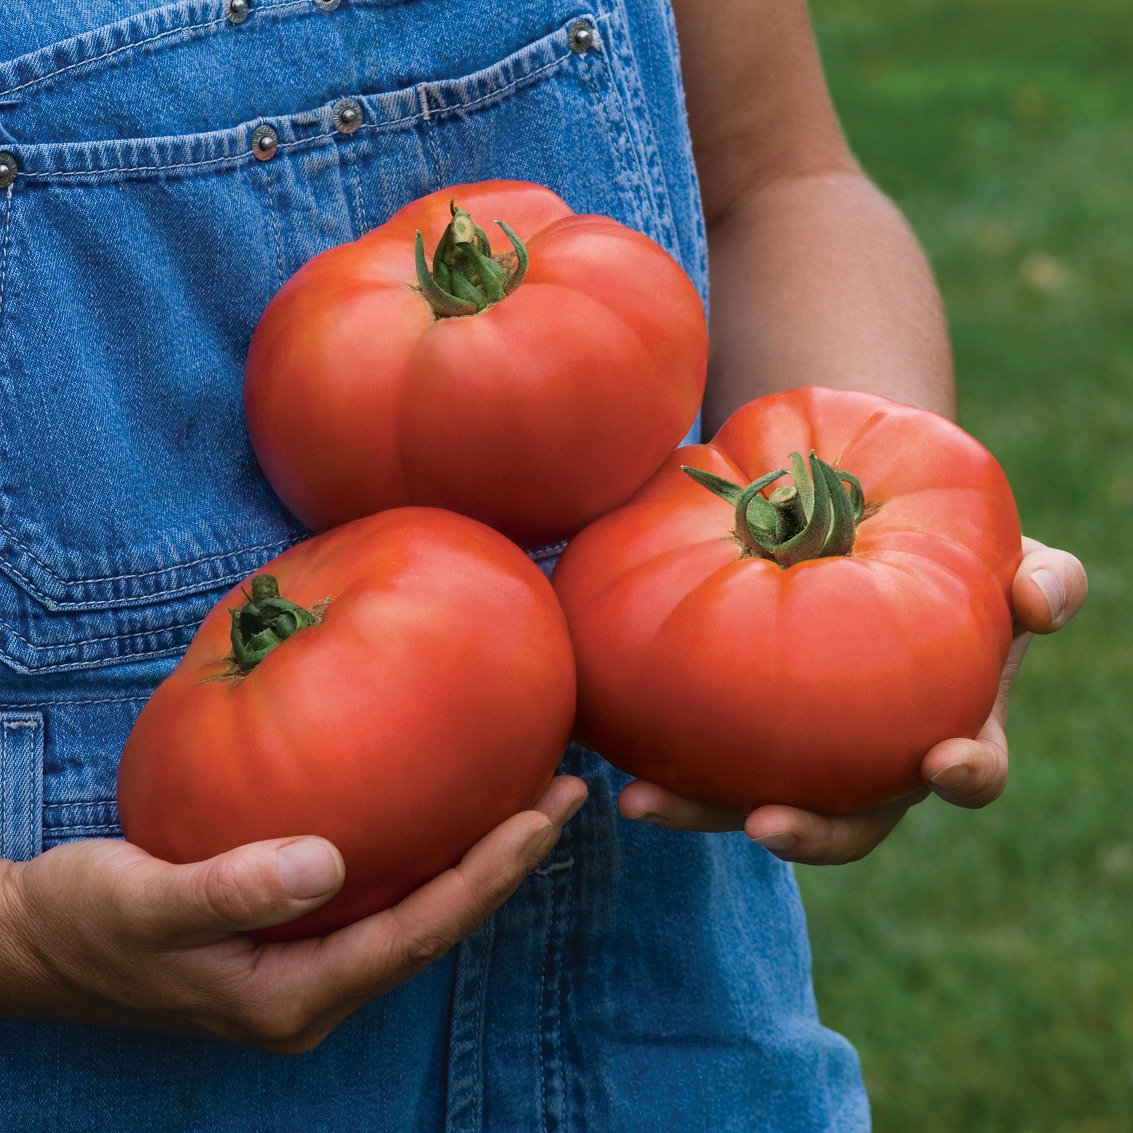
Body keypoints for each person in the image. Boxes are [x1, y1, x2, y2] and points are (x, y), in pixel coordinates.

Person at [0, 1, 1086, 1129]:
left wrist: (894, 564)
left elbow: (776, 182)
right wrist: (24, 934)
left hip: (670, 1024)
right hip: (122, 1072)